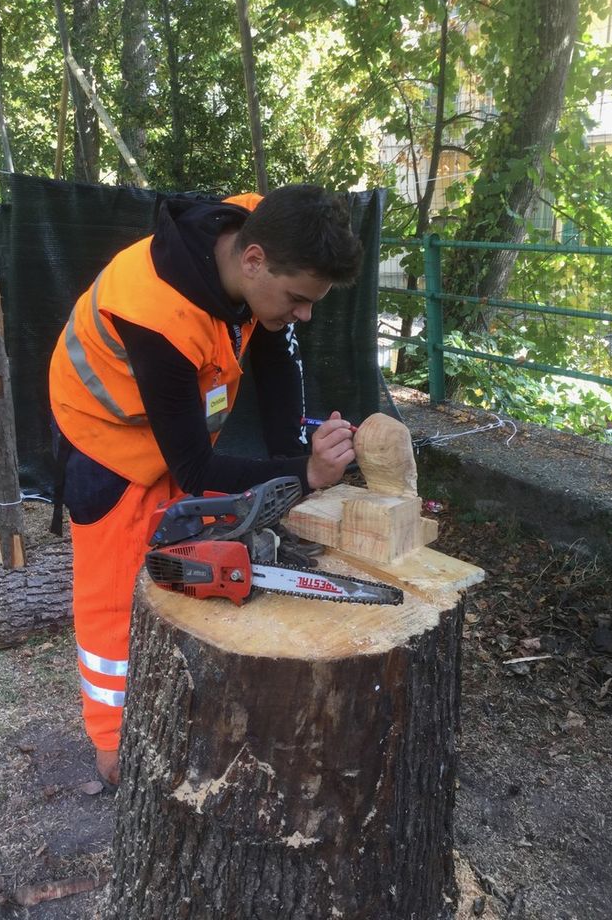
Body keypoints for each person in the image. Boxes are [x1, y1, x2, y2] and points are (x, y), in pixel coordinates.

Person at [48, 184, 363, 787]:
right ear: (253, 262)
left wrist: (295, 460)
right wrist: (304, 474)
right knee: (112, 589)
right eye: (298, 298)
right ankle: (112, 743)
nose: (305, 313)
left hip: (172, 422)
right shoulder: (156, 315)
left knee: (184, 547)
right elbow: (193, 469)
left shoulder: (259, 226)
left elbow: (276, 357)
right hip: (103, 434)